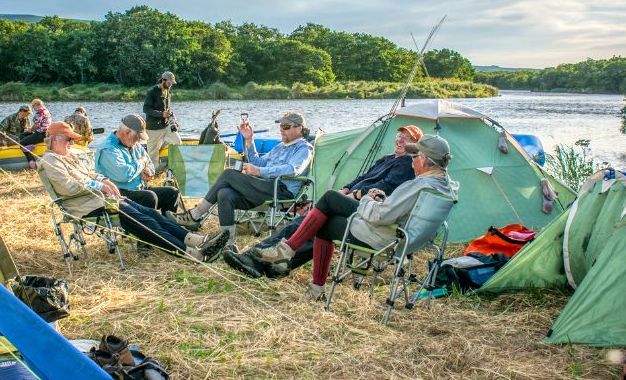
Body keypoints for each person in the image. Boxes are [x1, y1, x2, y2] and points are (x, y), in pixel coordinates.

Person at [252, 134, 457, 301]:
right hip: (403, 240)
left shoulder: (418, 185)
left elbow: (379, 216)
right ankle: (308, 280)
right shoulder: (445, 187)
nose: (412, 161)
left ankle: (287, 253)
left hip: (380, 237)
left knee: (330, 199)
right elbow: (394, 210)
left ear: (425, 160)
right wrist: (380, 199)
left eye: (414, 157)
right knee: (327, 220)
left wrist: (368, 198)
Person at [223, 125, 423, 279]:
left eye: (407, 139)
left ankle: (255, 257)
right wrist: (345, 189)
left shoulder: (406, 163)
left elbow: (385, 187)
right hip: (352, 202)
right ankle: (272, 266)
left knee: (310, 220)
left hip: (364, 209)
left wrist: (351, 196)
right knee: (313, 224)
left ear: (414, 146)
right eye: (399, 136)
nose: (400, 140)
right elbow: (363, 177)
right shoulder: (387, 159)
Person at [39, 121, 229, 262]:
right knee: (146, 223)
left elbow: (90, 174)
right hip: (87, 205)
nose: (72, 143)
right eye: (69, 139)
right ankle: (193, 254)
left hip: (104, 200)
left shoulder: (65, 157)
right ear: (56, 139)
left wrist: (103, 180)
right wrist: (100, 186)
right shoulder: (51, 160)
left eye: (73, 139)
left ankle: (196, 240)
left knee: (151, 215)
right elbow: (69, 187)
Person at [168, 111, 313, 249]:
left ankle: (195, 215)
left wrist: (259, 171)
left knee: (229, 174)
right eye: (281, 126)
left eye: (286, 127)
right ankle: (228, 242)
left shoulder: (304, 148)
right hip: (263, 189)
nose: (281, 129)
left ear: (299, 129)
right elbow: (257, 161)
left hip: (280, 191)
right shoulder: (279, 147)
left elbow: (293, 170)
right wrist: (249, 140)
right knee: (224, 193)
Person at [95, 114, 180, 213]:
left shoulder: (135, 145)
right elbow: (124, 175)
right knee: (149, 197)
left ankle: (167, 226)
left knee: (172, 192)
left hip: (139, 188)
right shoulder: (108, 148)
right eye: (137, 136)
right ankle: (150, 227)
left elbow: (151, 167)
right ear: (126, 133)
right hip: (117, 193)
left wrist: (147, 171)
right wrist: (141, 163)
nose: (139, 140)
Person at [143, 71, 181, 170]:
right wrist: (161, 114)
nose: (170, 85)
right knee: (152, 154)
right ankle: (153, 174)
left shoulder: (168, 91)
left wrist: (174, 119)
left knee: (178, 142)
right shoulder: (152, 92)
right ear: (163, 80)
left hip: (166, 126)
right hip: (153, 129)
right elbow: (146, 109)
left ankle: (173, 166)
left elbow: (167, 109)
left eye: (172, 83)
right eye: (169, 83)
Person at [19, 99, 51, 170]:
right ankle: (30, 145)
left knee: (21, 144)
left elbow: (37, 125)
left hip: (41, 134)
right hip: (45, 133)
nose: (33, 108)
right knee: (22, 135)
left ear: (37, 105)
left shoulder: (40, 112)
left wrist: (30, 130)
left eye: (33, 106)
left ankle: (32, 162)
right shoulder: (46, 110)